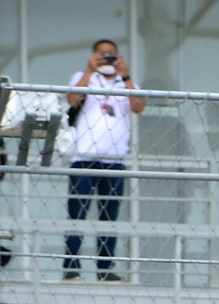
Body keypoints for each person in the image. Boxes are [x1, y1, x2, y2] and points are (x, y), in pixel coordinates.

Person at [63, 39, 144, 282]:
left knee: (109, 218)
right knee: (77, 214)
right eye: (102, 54)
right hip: (84, 158)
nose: (107, 58)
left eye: (111, 54)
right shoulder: (83, 76)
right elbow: (73, 99)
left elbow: (138, 106)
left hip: (115, 160)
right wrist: (90, 71)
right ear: (93, 56)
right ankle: (71, 268)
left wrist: (125, 76)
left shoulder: (126, 83)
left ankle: (105, 268)